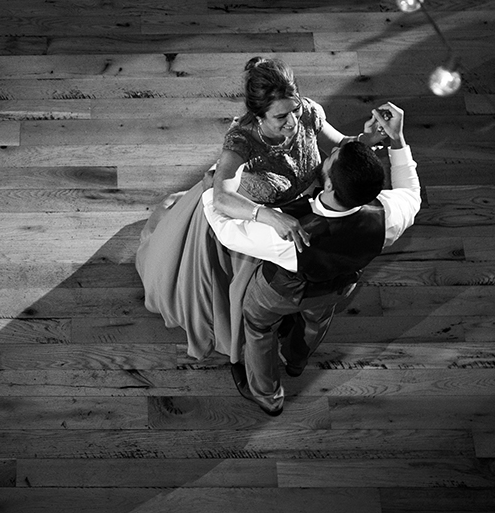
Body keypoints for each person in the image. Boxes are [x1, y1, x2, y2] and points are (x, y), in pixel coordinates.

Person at [137, 57, 389, 363]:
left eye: (294, 109)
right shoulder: (242, 139)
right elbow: (220, 198)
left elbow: (339, 147)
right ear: (259, 115)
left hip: (301, 213)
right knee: (250, 302)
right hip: (252, 223)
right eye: (281, 116)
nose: (293, 122)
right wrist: (268, 215)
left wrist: (367, 139)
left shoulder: (308, 113)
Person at [202, 102, 420, 415]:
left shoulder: (289, 232)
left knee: (259, 327)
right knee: (318, 317)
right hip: (338, 286)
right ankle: (296, 361)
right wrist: (397, 141)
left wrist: (213, 187)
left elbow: (225, 229)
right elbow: (411, 193)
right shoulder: (390, 216)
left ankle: (267, 395)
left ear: (328, 183)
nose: (326, 155)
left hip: (279, 294)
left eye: (329, 158)